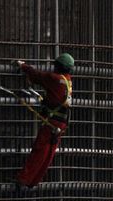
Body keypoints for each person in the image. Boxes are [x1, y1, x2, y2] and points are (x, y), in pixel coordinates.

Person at [15, 53, 74, 188]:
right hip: (62, 122)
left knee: (39, 149)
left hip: (52, 122)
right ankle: (33, 181)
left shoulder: (53, 78)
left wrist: (22, 65)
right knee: (48, 153)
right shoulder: (67, 79)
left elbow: (36, 75)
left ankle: (23, 180)